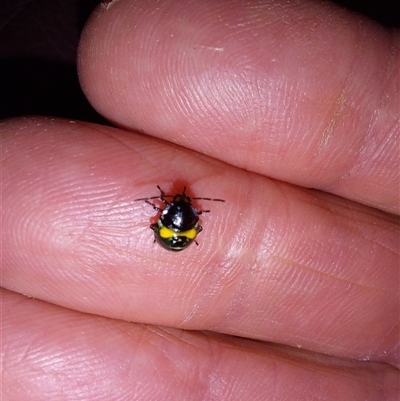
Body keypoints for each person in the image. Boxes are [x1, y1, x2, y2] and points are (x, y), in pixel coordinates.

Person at [2, 0, 399, 399]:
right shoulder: (181, 214)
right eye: (179, 204)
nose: (177, 201)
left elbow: (173, 217)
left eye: (175, 204)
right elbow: (176, 217)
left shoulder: (177, 214)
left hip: (174, 237)